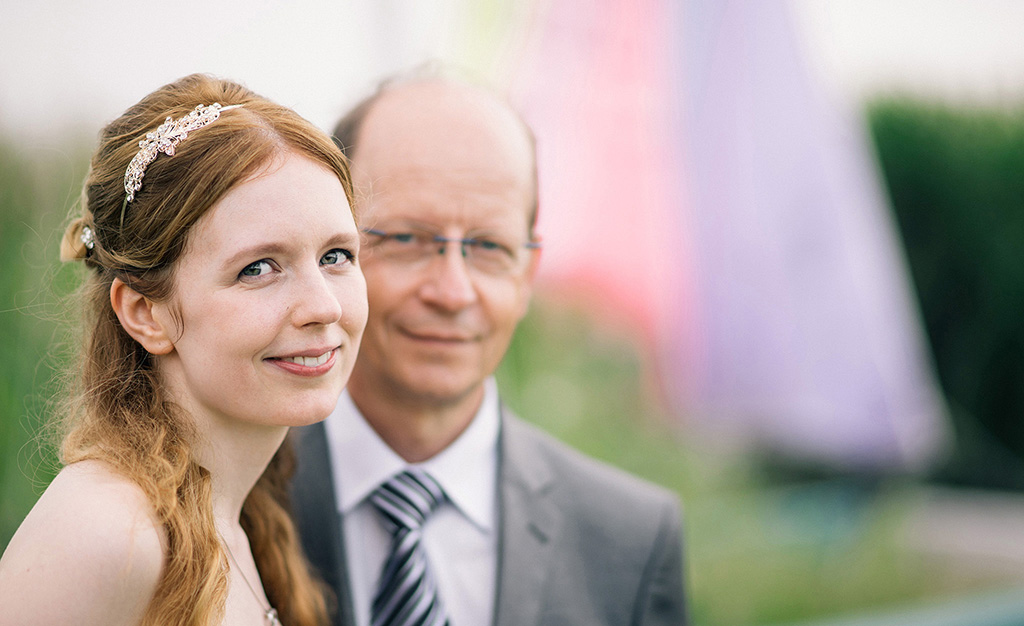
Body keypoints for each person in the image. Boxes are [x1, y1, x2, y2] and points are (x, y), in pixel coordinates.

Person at [289, 68, 688, 626]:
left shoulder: (630, 542)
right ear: (333, 253)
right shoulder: (230, 497)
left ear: (527, 274)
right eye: (406, 238)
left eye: (488, 247)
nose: (452, 291)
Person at [0, 73, 368, 626]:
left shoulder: (244, 512)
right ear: (145, 313)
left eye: (336, 256)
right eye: (258, 268)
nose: (324, 306)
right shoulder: (107, 533)